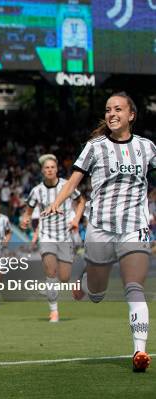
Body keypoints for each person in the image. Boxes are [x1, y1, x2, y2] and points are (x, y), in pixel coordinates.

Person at [43, 92, 154, 372]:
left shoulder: (148, 147)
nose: (112, 113)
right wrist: (57, 202)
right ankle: (84, 279)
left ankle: (140, 351)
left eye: (118, 109)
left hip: (134, 227)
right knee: (97, 293)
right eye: (108, 110)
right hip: (101, 227)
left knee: (134, 287)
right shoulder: (95, 146)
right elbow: (74, 180)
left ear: (132, 115)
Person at [21, 154, 86, 322]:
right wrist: (25, 219)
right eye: (46, 168)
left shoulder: (66, 185)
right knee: (51, 272)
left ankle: (51, 285)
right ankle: (54, 311)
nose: (49, 170)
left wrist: (76, 220)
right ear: (42, 171)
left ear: (57, 169)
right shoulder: (37, 191)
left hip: (65, 236)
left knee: (64, 278)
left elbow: (81, 202)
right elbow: (28, 211)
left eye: (52, 167)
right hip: (47, 235)